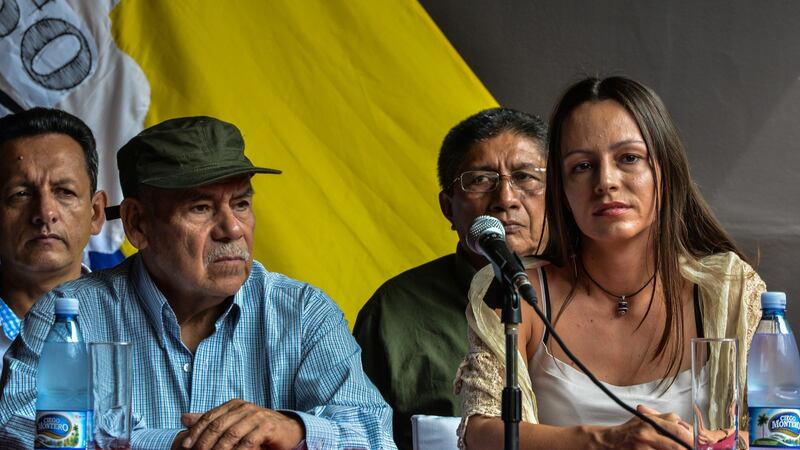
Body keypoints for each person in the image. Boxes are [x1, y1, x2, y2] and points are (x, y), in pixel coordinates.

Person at [0, 116, 395, 450]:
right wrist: (174, 443)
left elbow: (375, 433)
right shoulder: (68, 313)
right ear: (138, 224)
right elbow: (14, 427)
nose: (232, 228)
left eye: (241, 203)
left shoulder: (302, 311)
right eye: (201, 207)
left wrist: (293, 430)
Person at [454, 76, 765, 449]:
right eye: (582, 166)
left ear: (664, 172)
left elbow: (783, 434)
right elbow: (480, 433)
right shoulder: (515, 288)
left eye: (629, 158)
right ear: (561, 188)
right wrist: (606, 441)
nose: (606, 181)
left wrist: (705, 443)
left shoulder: (727, 288)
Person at [354, 107, 547, 449]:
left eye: (525, 177)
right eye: (480, 180)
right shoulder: (392, 312)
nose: (505, 198)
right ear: (448, 208)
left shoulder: (602, 294)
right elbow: (359, 435)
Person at [0, 108, 106, 372]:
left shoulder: (137, 325)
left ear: (95, 213)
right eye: (21, 194)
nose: (45, 213)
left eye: (65, 192)